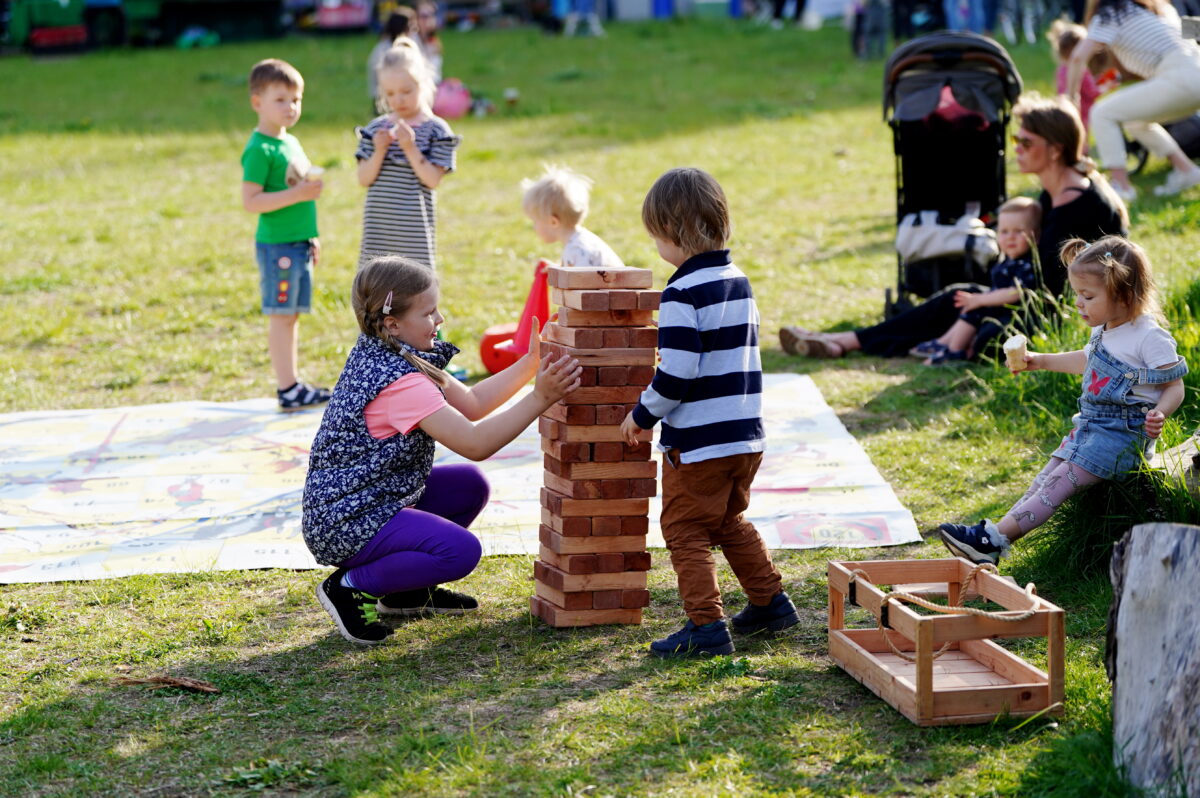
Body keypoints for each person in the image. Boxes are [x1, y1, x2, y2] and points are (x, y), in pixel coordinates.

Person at [303, 256, 582, 644]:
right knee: (459, 552)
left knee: (467, 486)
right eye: (429, 312)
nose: (440, 319)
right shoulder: (399, 382)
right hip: (347, 522)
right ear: (393, 323)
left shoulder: (394, 350)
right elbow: (475, 442)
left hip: (364, 501)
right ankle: (350, 586)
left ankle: (406, 592)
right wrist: (540, 398)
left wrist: (530, 364)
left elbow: (473, 403)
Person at [780, 94, 1128, 360]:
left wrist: (988, 298)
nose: (1018, 150)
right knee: (958, 297)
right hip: (1038, 299)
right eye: (1016, 141)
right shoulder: (1057, 192)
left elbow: (1049, 288)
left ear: (1055, 150)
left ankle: (862, 343)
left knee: (979, 318)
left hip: (1073, 313)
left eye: (1026, 143)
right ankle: (846, 341)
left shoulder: (1077, 204)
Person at [619, 168, 798, 658]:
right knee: (727, 520)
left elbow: (677, 372)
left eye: (655, 235)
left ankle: (706, 626)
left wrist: (642, 415)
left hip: (699, 443)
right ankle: (771, 602)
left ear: (671, 232)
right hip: (745, 437)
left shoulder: (681, 293)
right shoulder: (738, 280)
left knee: (684, 531)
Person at [938, 236, 1187, 564]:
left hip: (1121, 437)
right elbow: (1089, 361)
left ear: (1125, 295)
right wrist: (1040, 360)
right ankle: (991, 540)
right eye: (1077, 294)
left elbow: (1175, 386)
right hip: (1090, 426)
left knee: (1057, 484)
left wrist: (1161, 412)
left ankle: (993, 540)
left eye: (1088, 296)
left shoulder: (1149, 336)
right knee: (1043, 481)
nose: (1079, 304)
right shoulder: (1105, 327)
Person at [240, 58, 331, 412]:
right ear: (257, 102)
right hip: (277, 246)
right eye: (280, 100)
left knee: (292, 315)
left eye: (296, 99)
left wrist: (311, 236)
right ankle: (287, 387)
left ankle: (292, 384)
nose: (290, 107)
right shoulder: (260, 149)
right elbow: (251, 201)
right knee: (281, 316)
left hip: (298, 243)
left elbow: (298, 192)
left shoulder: (290, 141)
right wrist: (298, 194)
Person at [1066, 0, 1200, 201]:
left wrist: (1071, 97)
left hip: (1181, 77)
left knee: (1101, 113)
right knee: (1135, 121)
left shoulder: (1108, 15)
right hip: (1193, 70)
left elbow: (1077, 57)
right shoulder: (1152, 11)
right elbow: (1194, 29)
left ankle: (1121, 187)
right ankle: (1187, 171)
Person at [357, 42, 460, 269]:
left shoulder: (436, 130)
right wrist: (379, 151)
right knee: (377, 281)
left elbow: (432, 180)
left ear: (423, 83)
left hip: (414, 234)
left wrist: (410, 148)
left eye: (406, 91)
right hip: (379, 231)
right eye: (390, 93)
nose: (398, 100)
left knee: (414, 281)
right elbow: (364, 179)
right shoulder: (375, 129)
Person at [909, 197, 1042, 365]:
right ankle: (944, 342)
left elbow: (1015, 292)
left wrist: (980, 299)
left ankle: (954, 351)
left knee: (975, 309)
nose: (1010, 238)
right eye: (1004, 232)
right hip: (998, 308)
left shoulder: (1026, 264)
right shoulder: (1007, 261)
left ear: (1035, 236)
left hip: (1012, 314)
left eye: (1018, 231)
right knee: (971, 307)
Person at [521, 165, 625, 270]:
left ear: (553, 222)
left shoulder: (577, 250)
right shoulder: (579, 243)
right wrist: (556, 269)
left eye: (535, 221)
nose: (534, 227)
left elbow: (581, 279)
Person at [1049, 20, 1100, 137]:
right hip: (1082, 111)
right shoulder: (1081, 71)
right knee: (1081, 136)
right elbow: (1093, 93)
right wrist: (1106, 87)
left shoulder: (1061, 69)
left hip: (1065, 108)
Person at [367, 8, 418, 109]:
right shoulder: (385, 50)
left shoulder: (407, 46)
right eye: (411, 26)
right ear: (402, 28)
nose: (415, 30)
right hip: (387, 100)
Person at [415, 0, 443, 84]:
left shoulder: (433, 41)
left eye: (432, 14)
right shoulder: (410, 40)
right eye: (424, 16)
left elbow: (436, 74)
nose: (429, 19)